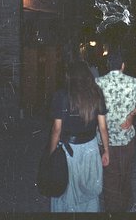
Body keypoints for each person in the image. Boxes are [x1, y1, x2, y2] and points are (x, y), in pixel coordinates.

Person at [49, 61, 109, 212]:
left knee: (68, 191)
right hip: (91, 149)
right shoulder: (96, 93)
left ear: (69, 76)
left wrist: (51, 152)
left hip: (69, 152)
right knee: (88, 190)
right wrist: (106, 150)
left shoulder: (61, 95)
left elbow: (57, 129)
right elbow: (102, 127)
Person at [96, 52, 136, 212]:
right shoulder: (133, 82)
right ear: (123, 65)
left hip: (105, 138)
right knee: (126, 170)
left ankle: (113, 208)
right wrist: (131, 114)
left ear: (108, 65)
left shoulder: (98, 82)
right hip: (126, 136)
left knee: (110, 175)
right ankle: (126, 203)